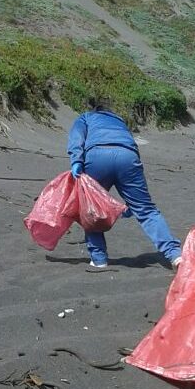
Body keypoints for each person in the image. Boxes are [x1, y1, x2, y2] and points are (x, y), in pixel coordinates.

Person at [67, 98, 182, 269]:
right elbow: (131, 145)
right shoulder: (119, 121)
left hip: (97, 156)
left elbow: (77, 138)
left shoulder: (85, 118)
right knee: (146, 210)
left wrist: (76, 160)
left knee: (90, 208)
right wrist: (131, 201)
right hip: (128, 157)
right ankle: (175, 255)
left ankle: (99, 259)